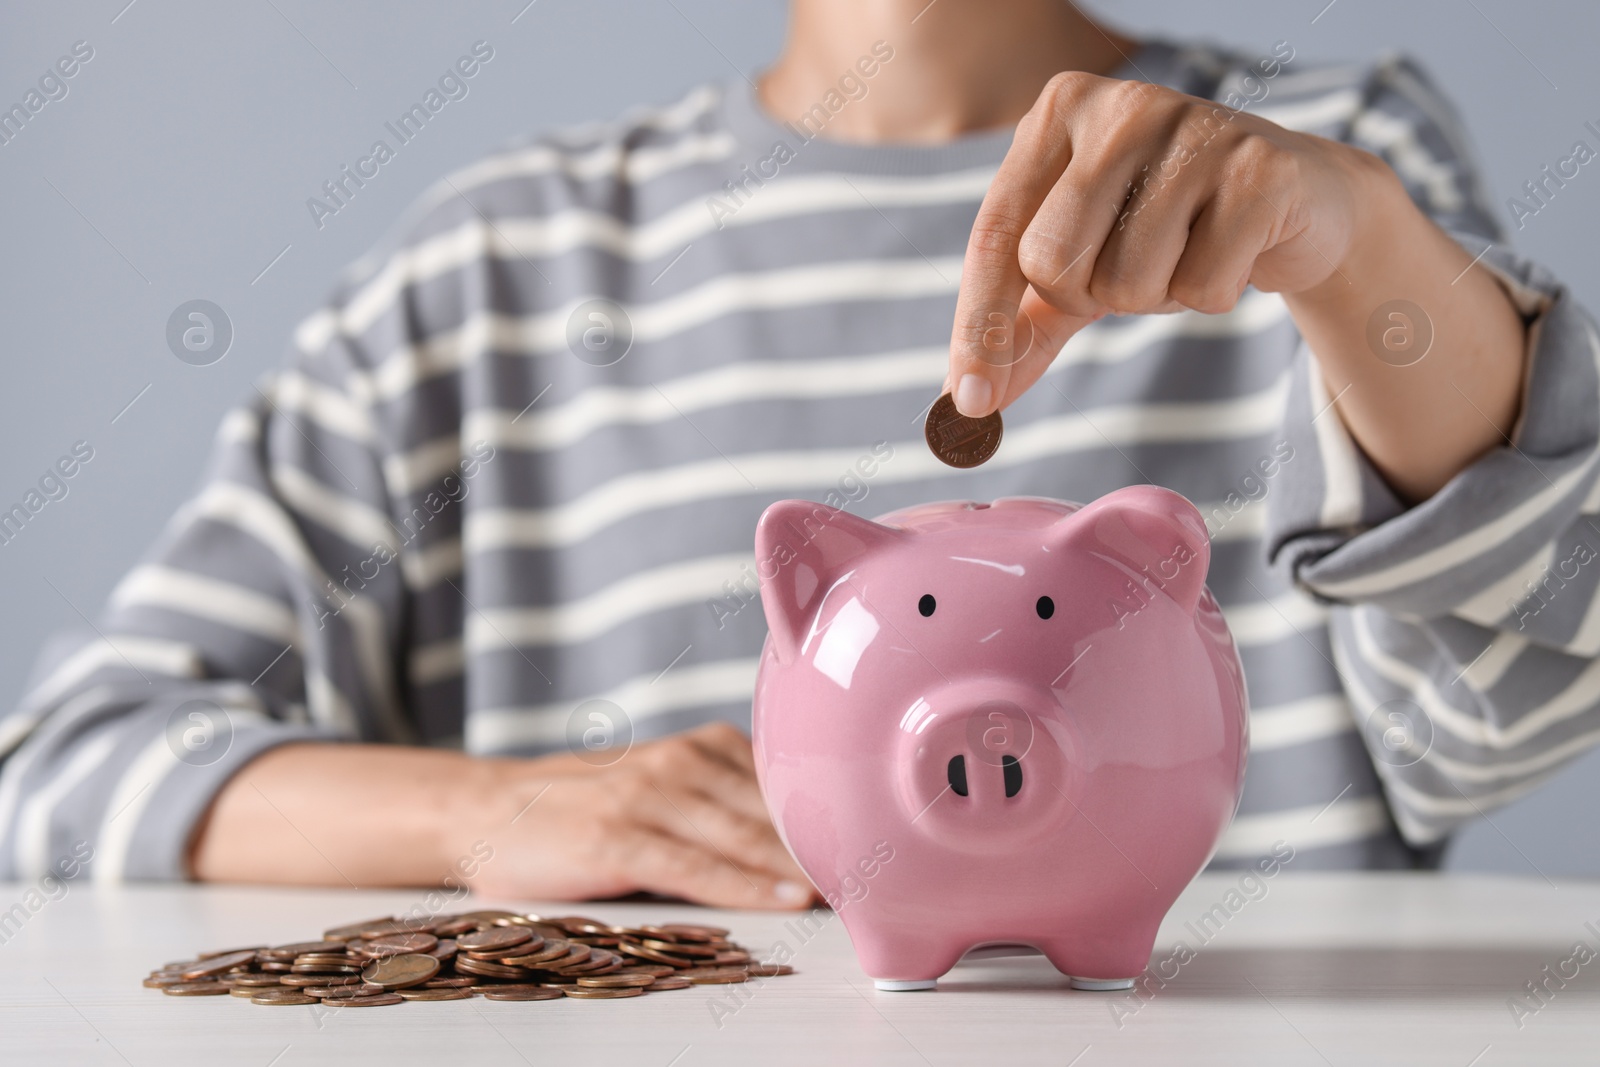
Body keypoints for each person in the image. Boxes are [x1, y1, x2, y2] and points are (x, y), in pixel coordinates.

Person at [1, 0, 1593, 909]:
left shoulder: (1324, 189)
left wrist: (1362, 257)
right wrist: (499, 815)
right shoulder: (497, 270)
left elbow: (1524, 687)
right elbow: (67, 772)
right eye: (1352, 240)